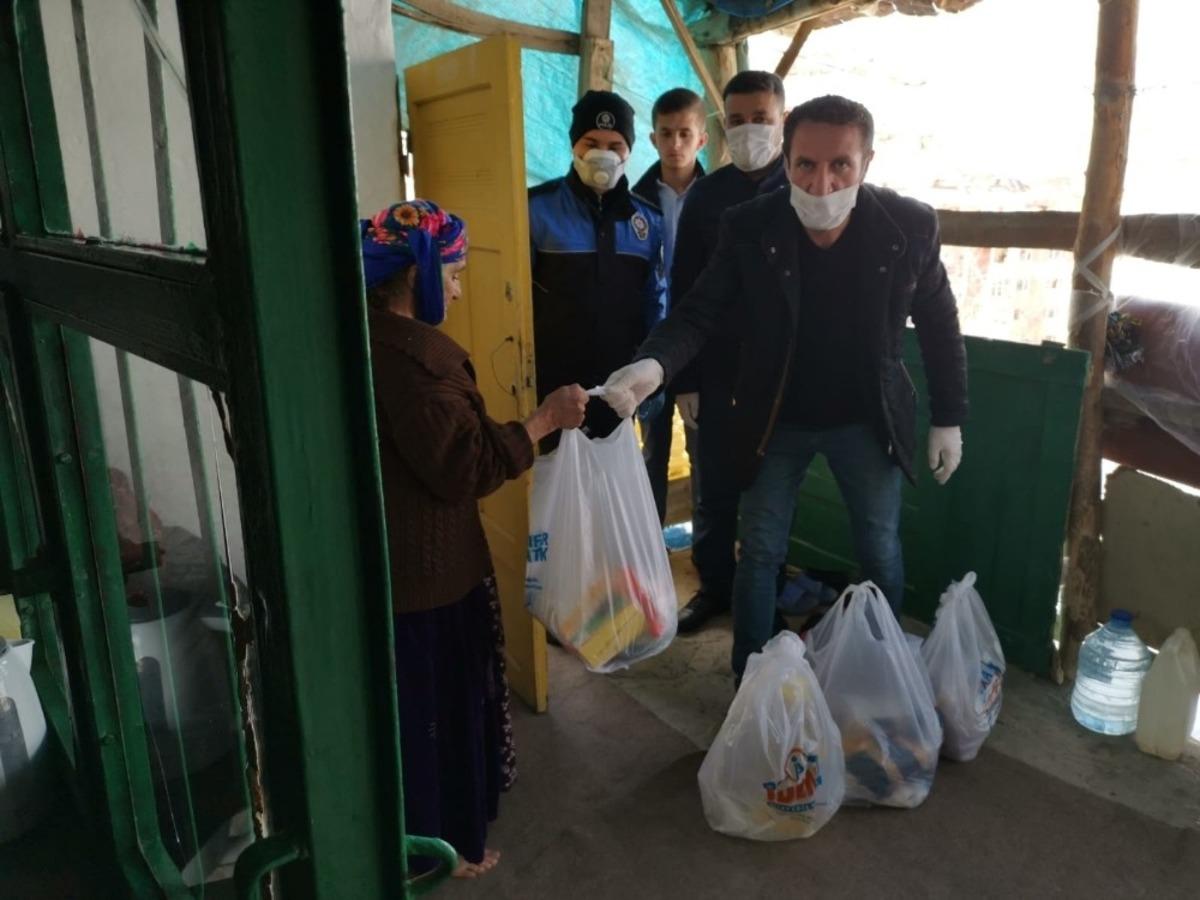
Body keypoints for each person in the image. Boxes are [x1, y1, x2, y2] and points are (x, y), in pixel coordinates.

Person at [601, 96, 968, 681]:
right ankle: (753, 677)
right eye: (805, 165)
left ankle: (882, 670)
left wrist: (949, 415)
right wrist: (652, 369)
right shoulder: (751, 224)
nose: (822, 183)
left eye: (840, 165)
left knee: (879, 547)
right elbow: (698, 311)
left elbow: (940, 323)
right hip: (776, 414)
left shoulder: (908, 228)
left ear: (867, 162)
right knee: (762, 548)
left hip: (866, 417)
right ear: (786, 159)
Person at [362, 200, 587, 877]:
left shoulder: (368, 339)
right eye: (453, 274)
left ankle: (426, 839)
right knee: (437, 719)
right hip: (429, 579)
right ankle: (438, 851)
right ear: (416, 277)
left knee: (417, 716)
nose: (458, 288)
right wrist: (543, 421)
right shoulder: (418, 370)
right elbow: (466, 467)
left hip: (398, 565)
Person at [665, 71, 789, 633]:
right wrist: (685, 378)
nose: (749, 131)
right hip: (715, 371)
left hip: (785, 374)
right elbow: (685, 287)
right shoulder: (708, 195)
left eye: (761, 119)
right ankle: (714, 585)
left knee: (776, 490)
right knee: (712, 490)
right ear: (722, 126)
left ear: (783, 120)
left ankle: (769, 587)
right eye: (737, 121)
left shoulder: (805, 188)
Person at [528, 89, 666, 448]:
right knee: (554, 483)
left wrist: (651, 367)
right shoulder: (536, 210)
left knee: (609, 482)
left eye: (615, 145)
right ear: (574, 145)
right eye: (591, 142)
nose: (602, 154)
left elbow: (655, 301)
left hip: (618, 385)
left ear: (629, 151)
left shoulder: (648, 220)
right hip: (551, 387)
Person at [632, 87, 708, 525]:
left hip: (702, 344)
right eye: (666, 133)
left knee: (704, 453)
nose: (675, 144)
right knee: (652, 450)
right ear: (653, 138)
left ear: (701, 139)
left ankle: (705, 550)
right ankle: (650, 552)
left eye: (684, 133)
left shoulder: (721, 197)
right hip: (651, 342)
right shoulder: (633, 199)